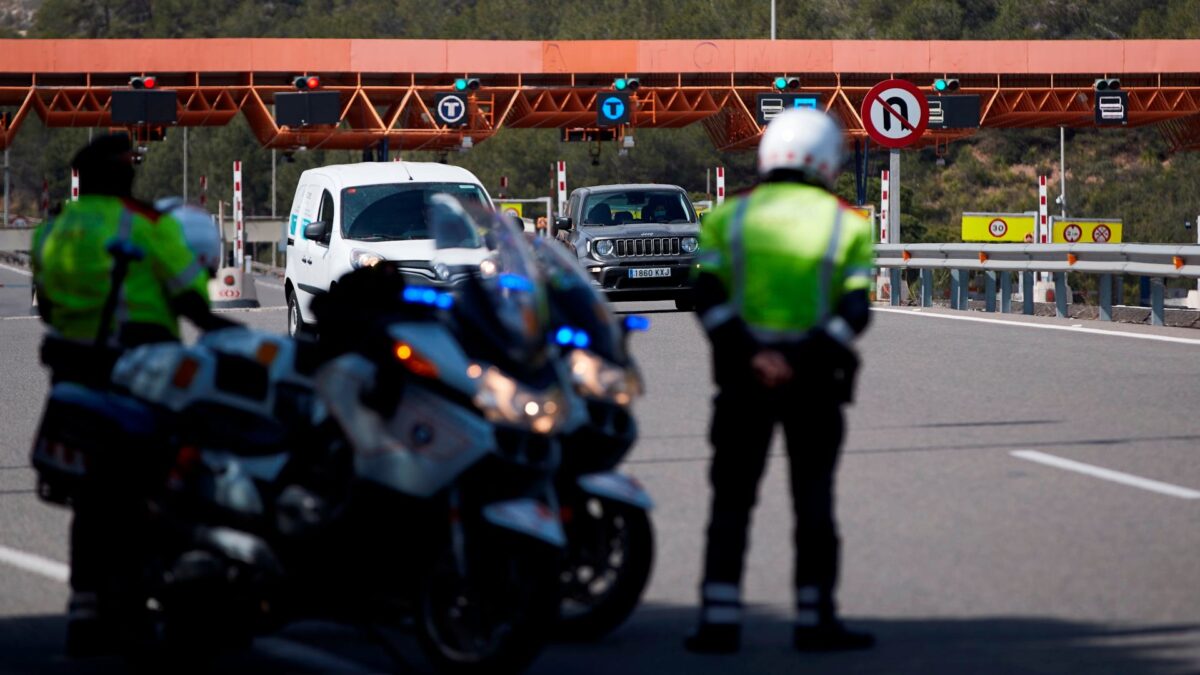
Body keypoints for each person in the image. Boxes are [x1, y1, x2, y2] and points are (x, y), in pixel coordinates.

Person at [30, 134, 234, 656]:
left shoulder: (52, 230)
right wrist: (230, 334)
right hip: (144, 371)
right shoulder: (146, 225)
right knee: (167, 472)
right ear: (124, 176)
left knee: (90, 496)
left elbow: (50, 308)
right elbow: (192, 297)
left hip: (74, 375)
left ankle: (84, 603)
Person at [684, 108, 875, 655]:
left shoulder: (728, 216)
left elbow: (708, 299)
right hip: (814, 382)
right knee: (814, 502)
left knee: (731, 502)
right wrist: (799, 358)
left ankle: (718, 622)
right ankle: (816, 620)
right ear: (826, 161)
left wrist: (754, 356)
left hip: (742, 380)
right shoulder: (848, 222)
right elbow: (855, 312)